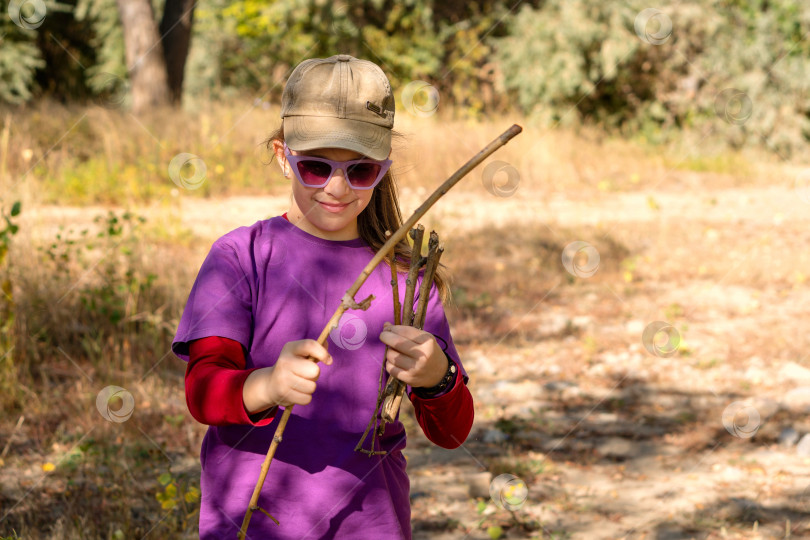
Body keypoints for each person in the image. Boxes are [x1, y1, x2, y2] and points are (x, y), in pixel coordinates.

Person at [171, 54, 474, 540]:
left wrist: (439, 377)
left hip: (371, 526)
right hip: (252, 523)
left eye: (360, 170)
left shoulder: (406, 283)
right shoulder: (240, 256)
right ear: (281, 155)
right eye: (315, 166)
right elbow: (202, 392)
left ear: (383, 169)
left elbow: (453, 432)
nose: (337, 187)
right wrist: (268, 385)